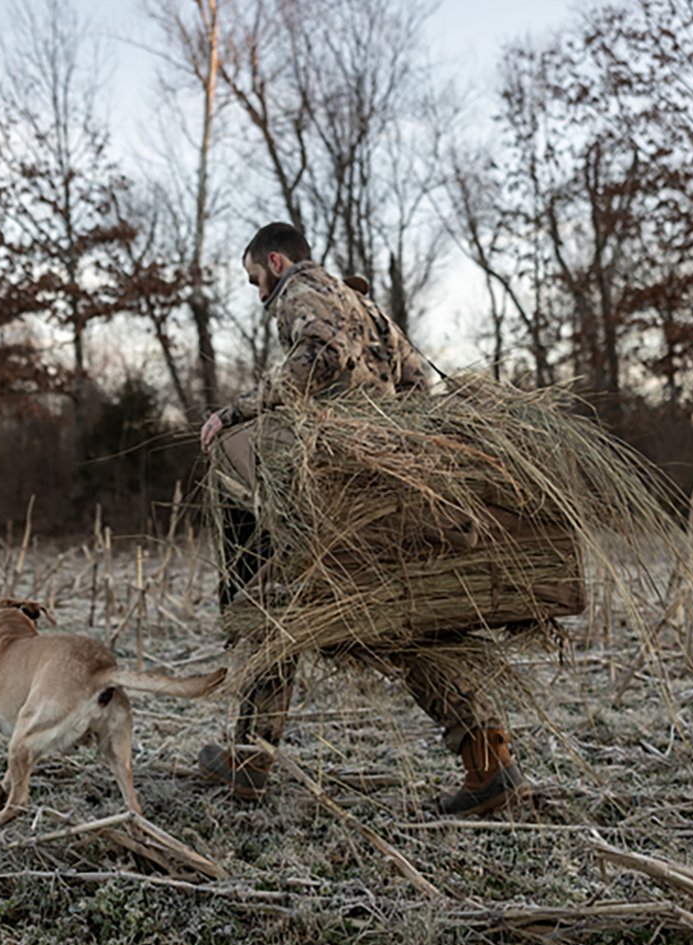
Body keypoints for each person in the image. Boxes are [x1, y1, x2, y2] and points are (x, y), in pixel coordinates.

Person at [196, 221, 530, 817]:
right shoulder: (366, 306)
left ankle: (249, 763)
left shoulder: (301, 291)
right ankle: (490, 763)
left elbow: (319, 355)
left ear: (276, 263)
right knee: (407, 624)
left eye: (255, 278)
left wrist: (238, 412)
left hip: (337, 487)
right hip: (390, 485)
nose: (258, 292)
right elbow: (416, 383)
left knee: (277, 608)